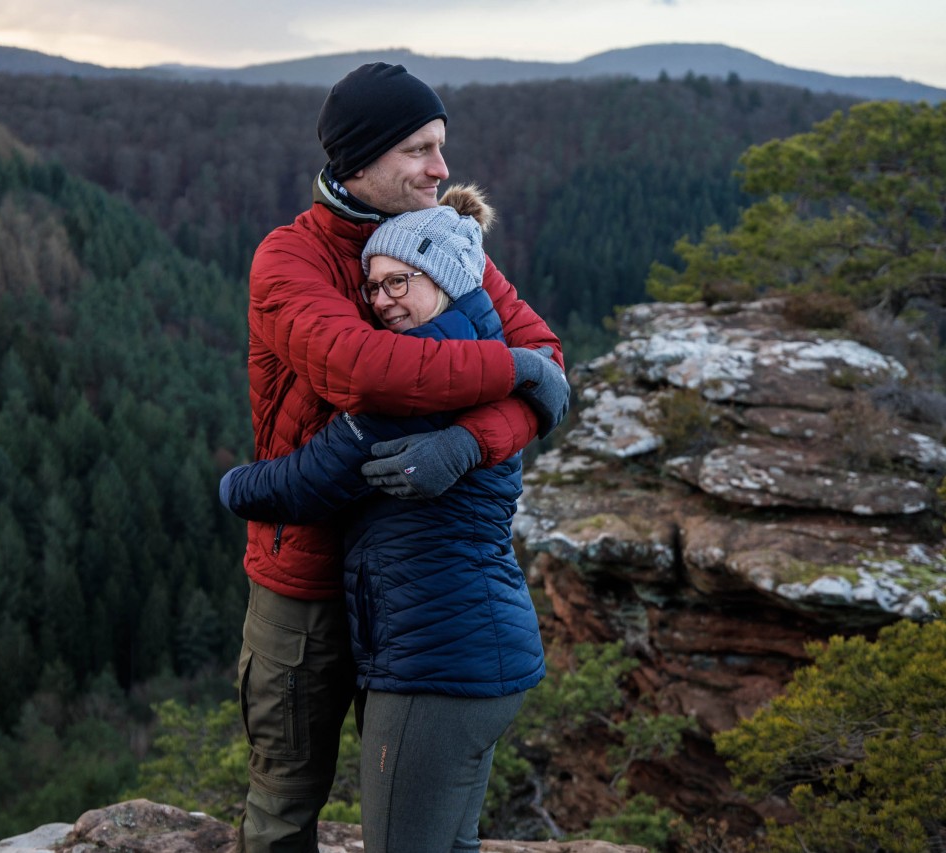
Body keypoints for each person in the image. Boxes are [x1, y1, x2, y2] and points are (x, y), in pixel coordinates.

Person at [237, 61, 567, 853]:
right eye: (419, 149)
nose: (441, 169)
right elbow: (367, 373)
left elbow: (549, 356)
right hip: (308, 577)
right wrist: (517, 372)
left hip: (416, 579)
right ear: (361, 160)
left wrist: (470, 442)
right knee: (286, 801)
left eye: (441, 146)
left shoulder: (443, 241)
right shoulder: (291, 260)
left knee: (425, 797)